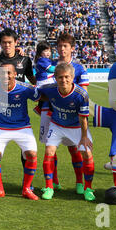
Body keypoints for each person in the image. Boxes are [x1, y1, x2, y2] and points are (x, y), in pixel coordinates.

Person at [0, 28, 36, 191]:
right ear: (0, 43)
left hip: (19, 105)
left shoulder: (25, 60)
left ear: (15, 43)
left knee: (25, 148)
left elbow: (32, 79)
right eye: (4, 42)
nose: (7, 45)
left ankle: (28, 182)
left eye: (10, 42)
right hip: (0, 106)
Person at [38, 33, 90, 194]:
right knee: (50, 148)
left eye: (65, 46)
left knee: (74, 149)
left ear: (72, 48)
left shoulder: (79, 68)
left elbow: (84, 93)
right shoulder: (50, 65)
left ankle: (80, 182)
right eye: (59, 46)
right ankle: (53, 183)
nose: (61, 49)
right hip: (49, 111)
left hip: (71, 113)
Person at [0, 64, 40, 200]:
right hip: (0, 128)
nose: (6, 76)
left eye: (9, 73)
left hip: (22, 128)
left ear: (15, 74)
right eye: (3, 73)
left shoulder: (25, 88)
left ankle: (27, 189)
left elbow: (41, 96)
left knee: (32, 154)